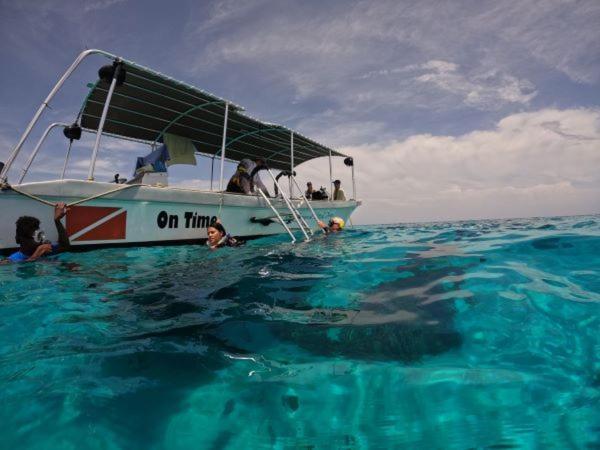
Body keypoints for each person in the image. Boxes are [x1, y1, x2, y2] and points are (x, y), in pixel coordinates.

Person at [6, 203, 71, 263]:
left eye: (39, 236)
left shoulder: (45, 251)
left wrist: (57, 221)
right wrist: (35, 256)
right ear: (18, 240)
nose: (40, 242)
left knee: (72, 266)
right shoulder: (12, 259)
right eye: (32, 238)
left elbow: (65, 246)